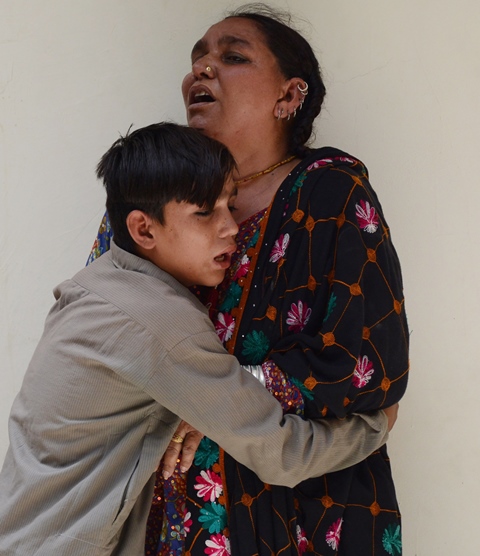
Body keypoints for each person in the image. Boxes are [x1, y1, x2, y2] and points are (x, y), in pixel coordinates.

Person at [89, 5, 409, 555]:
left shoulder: (330, 191)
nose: (202, 71)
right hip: (164, 511)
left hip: (300, 506)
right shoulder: (149, 200)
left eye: (232, 56)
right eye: (197, 61)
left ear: (288, 97)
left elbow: (368, 362)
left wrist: (222, 397)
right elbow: (100, 322)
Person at [0, 123, 395, 556]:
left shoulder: (96, 283)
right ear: (144, 230)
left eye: (230, 204)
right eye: (205, 212)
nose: (230, 227)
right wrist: (375, 425)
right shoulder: (160, 321)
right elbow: (282, 454)